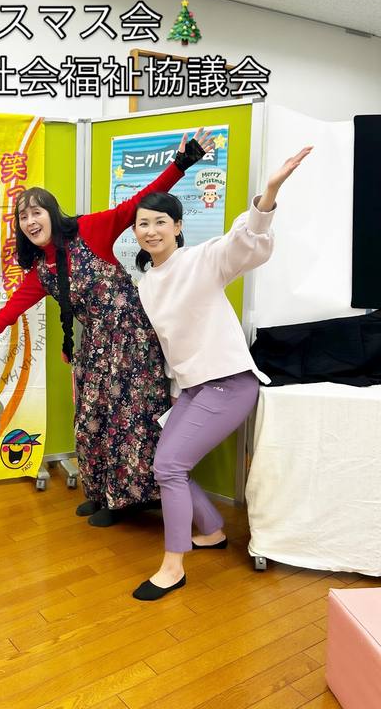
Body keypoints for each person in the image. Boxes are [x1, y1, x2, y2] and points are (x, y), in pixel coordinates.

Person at [0, 130, 214, 527]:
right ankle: (102, 491)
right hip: (96, 348)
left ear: (52, 213)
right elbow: (7, 314)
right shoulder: (41, 270)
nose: (31, 220)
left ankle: (124, 500)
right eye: (23, 216)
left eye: (37, 212)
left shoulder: (90, 229)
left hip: (133, 340)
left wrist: (182, 162)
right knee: (92, 418)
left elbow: (135, 204)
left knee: (129, 418)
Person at [130, 146, 313, 600]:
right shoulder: (147, 282)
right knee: (167, 462)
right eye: (143, 223)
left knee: (169, 465)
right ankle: (210, 529)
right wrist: (177, 391)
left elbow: (247, 240)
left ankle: (173, 566)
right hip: (193, 387)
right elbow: (172, 344)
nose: (151, 230)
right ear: (135, 232)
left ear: (178, 227)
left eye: (160, 222)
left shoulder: (203, 259)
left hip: (230, 383)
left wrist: (269, 192)